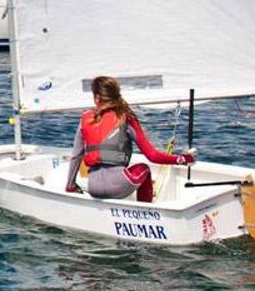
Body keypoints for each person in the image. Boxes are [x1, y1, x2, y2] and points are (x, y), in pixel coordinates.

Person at [65, 76, 193, 203]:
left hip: (94, 188)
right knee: (144, 169)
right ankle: (145, 211)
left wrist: (70, 185)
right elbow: (152, 156)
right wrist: (182, 159)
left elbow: (76, 156)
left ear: (97, 98)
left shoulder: (85, 119)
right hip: (118, 187)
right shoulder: (125, 118)